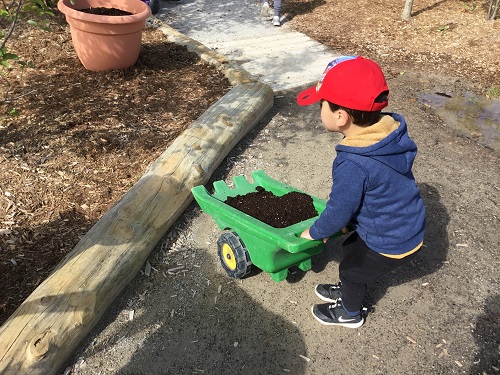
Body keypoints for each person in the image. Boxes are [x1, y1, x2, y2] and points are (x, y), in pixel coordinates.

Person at [297, 55, 426, 328]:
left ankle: (350, 312)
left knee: (352, 270)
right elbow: (376, 190)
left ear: (341, 116)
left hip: (392, 239)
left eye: (322, 105)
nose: (320, 109)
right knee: (351, 247)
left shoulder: (353, 163)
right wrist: (349, 225)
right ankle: (348, 291)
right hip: (403, 223)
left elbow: (340, 207)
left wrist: (318, 231)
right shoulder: (388, 136)